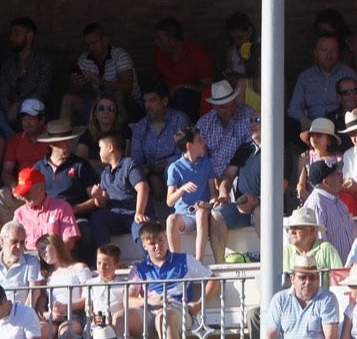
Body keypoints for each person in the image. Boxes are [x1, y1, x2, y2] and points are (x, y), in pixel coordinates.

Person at [127, 221, 217, 339]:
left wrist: (198, 305)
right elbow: (128, 300)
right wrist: (150, 300)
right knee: (120, 317)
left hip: (177, 310)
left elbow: (214, 280)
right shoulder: (139, 269)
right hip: (149, 310)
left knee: (164, 317)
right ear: (144, 245)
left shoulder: (184, 260)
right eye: (152, 243)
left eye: (161, 240)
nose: (158, 246)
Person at [166, 126, 228, 264]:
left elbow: (213, 194)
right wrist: (182, 189)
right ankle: (175, 262)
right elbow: (169, 201)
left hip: (202, 213)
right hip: (185, 215)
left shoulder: (206, 164)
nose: (203, 142)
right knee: (171, 219)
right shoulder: (175, 167)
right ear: (189, 146)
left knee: (201, 213)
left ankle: (199, 260)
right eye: (199, 140)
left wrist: (209, 204)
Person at [0, 98, 50, 224]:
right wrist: (14, 187)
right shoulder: (15, 140)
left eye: (31, 119)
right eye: (24, 119)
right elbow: (6, 171)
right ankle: (8, 238)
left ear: (42, 120)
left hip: (46, 188)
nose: (27, 123)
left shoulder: (52, 139)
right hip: (22, 188)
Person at [89, 130, 151, 246]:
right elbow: (103, 203)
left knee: (141, 230)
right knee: (97, 217)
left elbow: (143, 188)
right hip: (117, 216)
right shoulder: (105, 173)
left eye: (100, 148)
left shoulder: (129, 164)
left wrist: (139, 213)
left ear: (110, 148)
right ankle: (106, 257)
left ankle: (150, 262)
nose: (99, 152)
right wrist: (97, 196)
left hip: (134, 214)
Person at [152, 17, 215, 119]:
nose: (156, 42)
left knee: (182, 95)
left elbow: (210, 88)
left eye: (160, 39)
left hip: (190, 100)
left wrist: (184, 87)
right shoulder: (159, 53)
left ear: (172, 41)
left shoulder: (197, 55)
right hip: (168, 98)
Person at [12, 167, 81, 254]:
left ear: (41, 189)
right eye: (22, 193)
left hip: (53, 259)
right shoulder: (19, 214)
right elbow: (14, 242)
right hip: (27, 259)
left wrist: (53, 256)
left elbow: (69, 242)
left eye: (27, 192)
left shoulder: (62, 207)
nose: (24, 197)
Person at [302, 159, 357, 263]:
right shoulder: (316, 204)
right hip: (331, 272)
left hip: (347, 268)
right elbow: (320, 244)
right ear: (326, 182)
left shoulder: (338, 202)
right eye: (336, 173)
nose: (341, 175)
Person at [216, 113, 263, 234]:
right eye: (250, 120)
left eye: (258, 120)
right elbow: (228, 175)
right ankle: (220, 254)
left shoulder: (280, 151)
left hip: (266, 207)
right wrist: (223, 193)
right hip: (241, 208)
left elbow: (281, 188)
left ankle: (262, 253)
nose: (252, 124)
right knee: (216, 214)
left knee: (259, 212)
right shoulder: (244, 149)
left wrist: (257, 201)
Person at [0, 221, 42, 306]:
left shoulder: (31, 262)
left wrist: (24, 314)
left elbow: (35, 291)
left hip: (19, 315)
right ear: (1, 241)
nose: (19, 246)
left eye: (22, 242)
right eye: (14, 242)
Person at [281, 208, 342, 284]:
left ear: (311, 230)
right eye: (289, 228)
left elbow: (339, 281)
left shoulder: (326, 249)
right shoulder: (286, 251)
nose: (292, 232)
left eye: (297, 227)